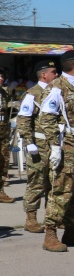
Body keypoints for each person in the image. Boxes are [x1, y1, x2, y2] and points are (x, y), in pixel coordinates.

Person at [39, 50, 74, 252]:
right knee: (60, 191)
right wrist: (54, 145)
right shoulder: (58, 88)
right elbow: (46, 118)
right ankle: (50, 234)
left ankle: (71, 231)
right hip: (66, 149)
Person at [17, 61, 59, 230]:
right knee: (36, 182)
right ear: (44, 75)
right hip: (38, 145)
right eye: (53, 72)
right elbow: (24, 120)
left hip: (54, 144)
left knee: (53, 182)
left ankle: (53, 217)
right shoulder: (32, 94)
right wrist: (29, 142)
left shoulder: (56, 92)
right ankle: (31, 218)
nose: (56, 75)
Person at [0, 69, 13, 203]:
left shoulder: (5, 92)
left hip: (3, 131)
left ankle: (0, 190)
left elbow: (9, 110)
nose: (1, 78)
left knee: (3, 161)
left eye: (2, 76)